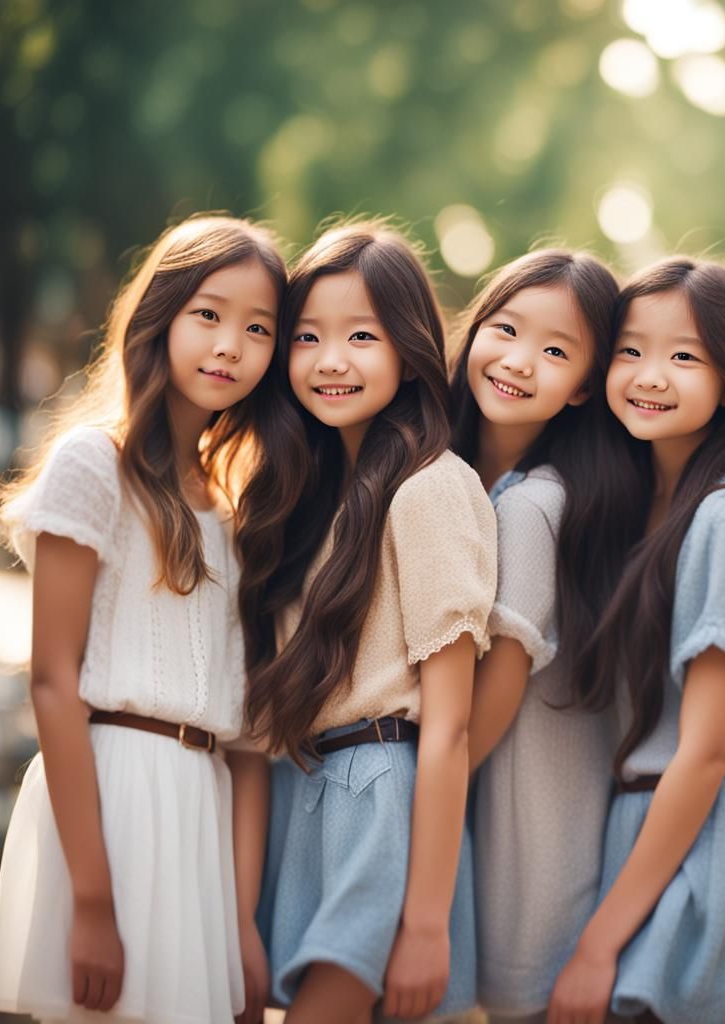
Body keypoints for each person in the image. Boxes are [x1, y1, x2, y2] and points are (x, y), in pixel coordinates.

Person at [0, 215, 286, 1024]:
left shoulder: (237, 508)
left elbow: (249, 746)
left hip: (202, 813)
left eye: (258, 328)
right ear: (160, 315)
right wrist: (91, 900)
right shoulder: (95, 464)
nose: (230, 344)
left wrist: (239, 927)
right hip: (113, 802)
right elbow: (53, 683)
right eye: (209, 314)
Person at [237, 220, 496, 1024]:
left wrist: (425, 922)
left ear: (411, 349)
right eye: (308, 336)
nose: (330, 360)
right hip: (305, 792)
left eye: (361, 335)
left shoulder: (431, 489)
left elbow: (451, 727)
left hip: (380, 800)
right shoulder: (304, 497)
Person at [550, 256, 725, 1024]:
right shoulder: (650, 516)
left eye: (683, 355)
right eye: (630, 350)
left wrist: (598, 947)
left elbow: (703, 753)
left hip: (696, 849)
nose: (649, 374)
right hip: (653, 836)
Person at [449, 249, 642, 1021]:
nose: (520, 362)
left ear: (586, 386)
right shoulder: (466, 480)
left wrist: (410, 808)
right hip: (532, 819)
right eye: (506, 328)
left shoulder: (537, 507)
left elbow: (490, 705)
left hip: (530, 828)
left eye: (556, 351)